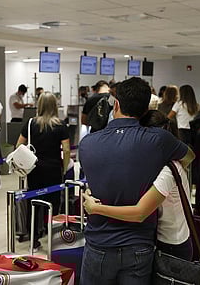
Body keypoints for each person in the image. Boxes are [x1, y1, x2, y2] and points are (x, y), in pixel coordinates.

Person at [79, 77, 191, 285]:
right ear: (146, 109)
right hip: (139, 246)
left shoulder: (87, 144)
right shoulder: (159, 140)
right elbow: (189, 157)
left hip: (99, 242)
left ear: (117, 104)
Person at [83, 110, 193, 261]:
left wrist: (96, 208)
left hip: (171, 245)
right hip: (163, 239)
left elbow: (140, 212)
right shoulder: (158, 164)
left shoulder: (168, 171)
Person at [16, 91, 70, 250]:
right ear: (54, 105)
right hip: (53, 170)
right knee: (54, 203)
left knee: (34, 203)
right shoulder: (60, 125)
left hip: (35, 169)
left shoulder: (31, 123)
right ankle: (53, 235)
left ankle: (34, 238)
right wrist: (64, 167)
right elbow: (66, 150)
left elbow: (19, 145)